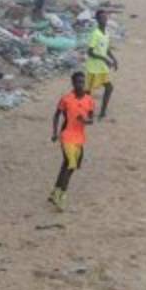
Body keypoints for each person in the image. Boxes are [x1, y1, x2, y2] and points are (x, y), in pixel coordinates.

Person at [49, 71, 94, 211]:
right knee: (71, 165)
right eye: (78, 82)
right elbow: (56, 115)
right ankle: (61, 197)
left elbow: (92, 119)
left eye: (82, 82)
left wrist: (86, 120)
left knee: (67, 165)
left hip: (79, 138)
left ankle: (55, 191)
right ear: (73, 83)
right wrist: (55, 133)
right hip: (67, 135)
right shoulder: (66, 99)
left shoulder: (89, 100)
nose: (80, 84)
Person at [85, 9, 118, 120]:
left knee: (109, 88)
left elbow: (106, 48)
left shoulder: (106, 33)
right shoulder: (95, 34)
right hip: (93, 67)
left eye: (105, 17)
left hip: (101, 67)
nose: (105, 19)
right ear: (97, 20)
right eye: (102, 18)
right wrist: (104, 59)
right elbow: (90, 52)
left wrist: (114, 59)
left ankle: (102, 112)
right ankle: (88, 113)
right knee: (88, 92)